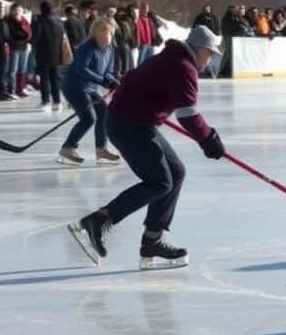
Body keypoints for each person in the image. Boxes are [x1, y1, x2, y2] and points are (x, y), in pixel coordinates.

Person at [66, 25, 226, 270]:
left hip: (137, 121)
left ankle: (153, 240)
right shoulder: (183, 67)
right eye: (210, 53)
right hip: (129, 124)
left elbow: (138, 74)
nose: (211, 58)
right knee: (160, 181)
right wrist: (209, 139)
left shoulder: (171, 57)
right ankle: (99, 220)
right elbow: (189, 115)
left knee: (176, 173)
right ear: (198, 49)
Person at [58, 17, 121, 166]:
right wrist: (102, 81)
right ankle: (67, 148)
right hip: (74, 86)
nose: (107, 35)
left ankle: (101, 149)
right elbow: (81, 69)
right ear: (94, 33)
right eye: (103, 31)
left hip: (90, 87)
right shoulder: (86, 48)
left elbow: (107, 72)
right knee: (88, 119)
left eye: (110, 32)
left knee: (104, 112)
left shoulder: (110, 49)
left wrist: (111, 80)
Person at [35, 1, 66, 112]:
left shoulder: (40, 21)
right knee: (55, 79)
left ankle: (46, 101)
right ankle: (57, 102)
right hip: (57, 55)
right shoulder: (58, 21)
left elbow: (35, 38)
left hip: (43, 55)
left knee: (45, 79)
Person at [6, 3, 32, 98]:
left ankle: (20, 89)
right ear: (12, 11)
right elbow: (12, 33)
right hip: (14, 47)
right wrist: (23, 34)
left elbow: (29, 32)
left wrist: (25, 35)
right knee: (13, 69)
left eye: (19, 10)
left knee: (22, 69)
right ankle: (11, 90)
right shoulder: (9, 20)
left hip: (24, 47)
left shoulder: (24, 20)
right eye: (16, 10)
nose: (17, 12)